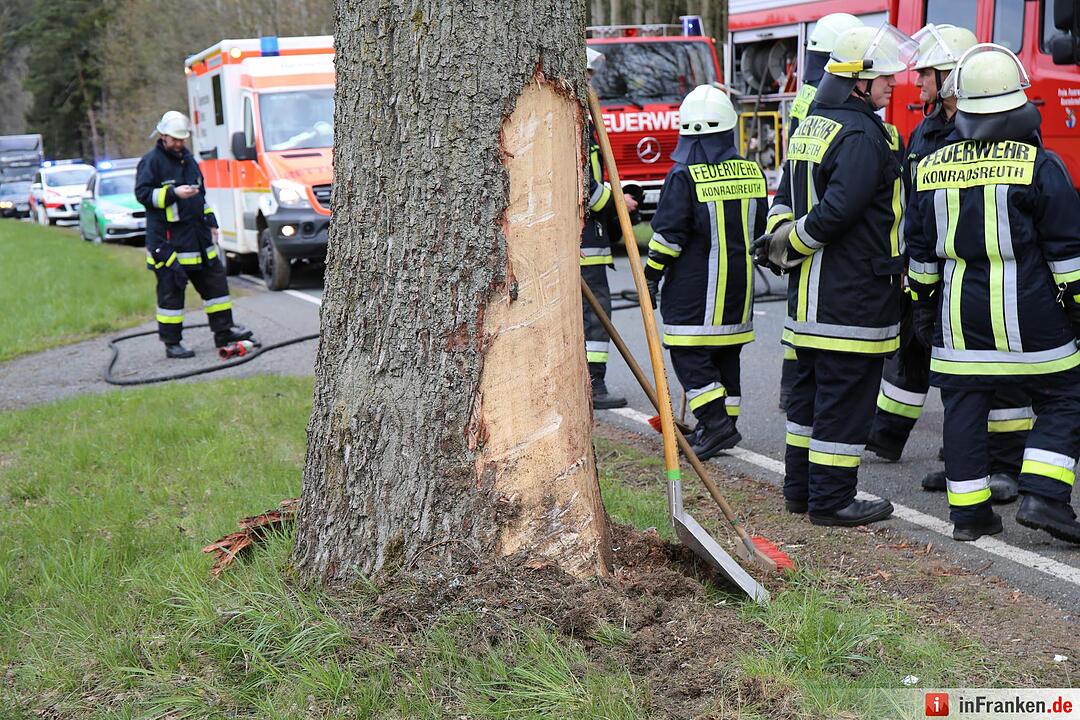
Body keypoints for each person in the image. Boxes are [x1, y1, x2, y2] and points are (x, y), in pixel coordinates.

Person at [907, 44, 1080, 542]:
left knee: (963, 407)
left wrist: (922, 306)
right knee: (1066, 396)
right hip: (1034, 324)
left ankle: (969, 517)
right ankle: (1045, 497)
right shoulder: (1039, 166)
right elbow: (1068, 258)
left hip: (959, 320)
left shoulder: (931, 168)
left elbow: (920, 252)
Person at [753, 24, 917, 526]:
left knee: (808, 398)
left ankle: (800, 490)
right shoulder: (864, 134)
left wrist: (783, 241)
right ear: (858, 82)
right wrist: (797, 244)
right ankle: (832, 501)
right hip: (852, 296)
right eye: (884, 76)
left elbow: (783, 196)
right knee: (846, 402)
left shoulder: (812, 125)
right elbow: (841, 210)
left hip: (809, 303)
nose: (893, 84)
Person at [865, 25, 1025, 503]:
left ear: (953, 76)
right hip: (932, 264)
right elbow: (914, 202)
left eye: (926, 75)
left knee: (993, 372)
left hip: (983, 269)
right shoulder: (927, 130)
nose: (917, 84)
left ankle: (1005, 467)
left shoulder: (994, 127)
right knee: (934, 359)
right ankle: (959, 462)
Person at [643, 84, 767, 460]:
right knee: (726, 356)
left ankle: (715, 424)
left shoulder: (684, 175)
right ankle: (722, 426)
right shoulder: (752, 170)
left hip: (695, 292)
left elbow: (668, 236)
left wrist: (651, 275)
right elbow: (759, 225)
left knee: (689, 355)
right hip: (738, 291)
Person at [768, 13, 864, 411]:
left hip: (798, 204)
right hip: (818, 216)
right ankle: (797, 389)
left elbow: (793, 169)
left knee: (800, 313)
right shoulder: (832, 100)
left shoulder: (808, 93)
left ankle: (795, 389)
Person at [135, 111, 252, 358]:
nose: (179, 143)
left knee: (217, 287)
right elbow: (143, 195)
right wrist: (173, 194)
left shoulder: (189, 161)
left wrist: (212, 221)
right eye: (174, 139)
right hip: (168, 244)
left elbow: (201, 197)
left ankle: (224, 331)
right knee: (171, 295)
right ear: (163, 136)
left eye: (182, 139)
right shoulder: (151, 162)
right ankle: (172, 343)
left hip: (199, 240)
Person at [582, 48, 636, 409]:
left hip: (586, 238)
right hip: (584, 240)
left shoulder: (581, 121)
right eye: (587, 76)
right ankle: (594, 386)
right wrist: (619, 203)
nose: (592, 84)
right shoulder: (576, 123)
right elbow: (582, 188)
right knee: (595, 315)